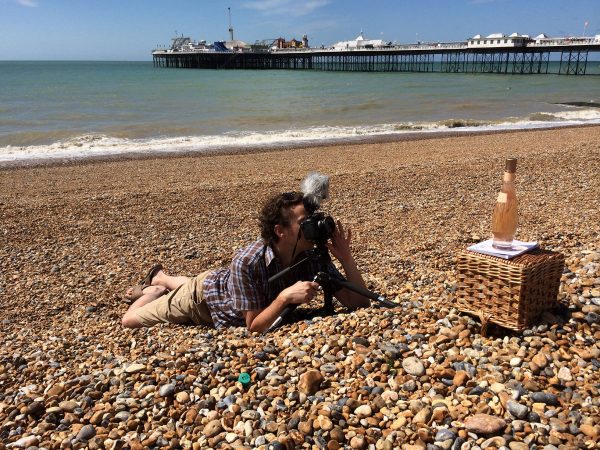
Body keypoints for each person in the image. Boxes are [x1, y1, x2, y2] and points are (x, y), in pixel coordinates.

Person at [121, 191, 370, 332]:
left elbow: (358, 302)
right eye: (305, 221)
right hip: (204, 300)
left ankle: (162, 277)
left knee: (210, 283)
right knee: (130, 321)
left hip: (227, 284)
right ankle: (155, 288)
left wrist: (346, 259)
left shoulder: (311, 254)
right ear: (280, 231)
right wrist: (285, 297)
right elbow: (254, 326)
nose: (313, 226)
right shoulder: (248, 262)